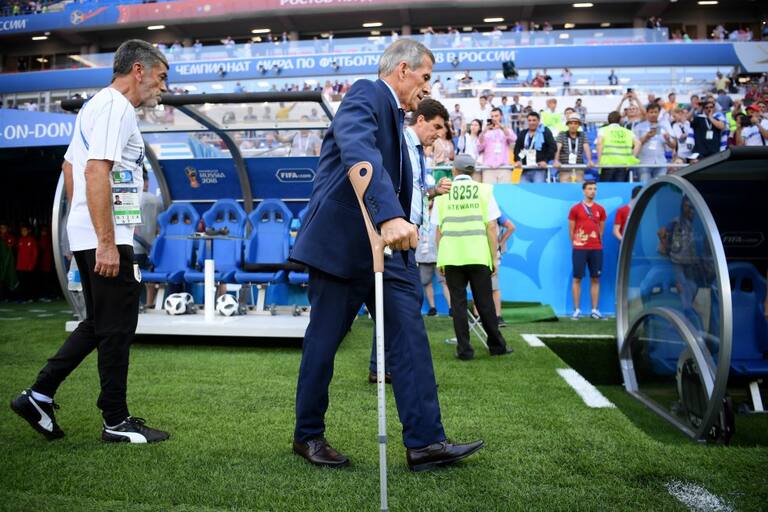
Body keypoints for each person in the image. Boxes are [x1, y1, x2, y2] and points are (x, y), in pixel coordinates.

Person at [289, 39, 483, 471]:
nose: (427, 86)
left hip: (389, 252)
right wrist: (390, 216)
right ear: (403, 69)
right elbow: (358, 151)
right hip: (342, 249)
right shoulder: (366, 93)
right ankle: (308, 435)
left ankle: (426, 443)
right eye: (425, 76)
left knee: (410, 339)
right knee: (323, 344)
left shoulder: (398, 119)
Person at [10, 40, 170, 444]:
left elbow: (70, 167)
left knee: (99, 323)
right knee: (117, 328)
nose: (163, 86)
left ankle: (38, 395)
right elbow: (95, 171)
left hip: (91, 231)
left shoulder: (96, 105)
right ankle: (115, 419)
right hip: (106, 236)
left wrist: (81, 228)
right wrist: (106, 242)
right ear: (138, 70)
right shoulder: (116, 107)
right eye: (161, 76)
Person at [433, 154, 512, 360]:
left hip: (452, 257)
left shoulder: (443, 194)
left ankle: (464, 350)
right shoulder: (484, 190)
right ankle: (497, 346)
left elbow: (438, 231)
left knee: (458, 305)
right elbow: (492, 226)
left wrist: (441, 259)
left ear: (454, 171)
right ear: (473, 171)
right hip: (478, 255)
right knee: (485, 303)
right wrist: (493, 258)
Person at [569, 181, 606, 320]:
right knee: (577, 278)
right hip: (579, 248)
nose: (593, 191)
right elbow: (571, 230)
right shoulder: (575, 209)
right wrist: (576, 244)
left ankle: (595, 310)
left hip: (596, 248)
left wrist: (596, 242)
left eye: (595, 189)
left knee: (595, 278)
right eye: (590, 189)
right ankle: (577, 310)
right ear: (584, 191)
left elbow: (601, 230)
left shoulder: (600, 209)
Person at [133, 168, 163, 308]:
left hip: (133, 246)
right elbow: (160, 227)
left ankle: (136, 305)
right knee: (148, 277)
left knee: (133, 278)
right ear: (147, 183)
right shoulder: (157, 201)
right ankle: (149, 303)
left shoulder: (130, 199)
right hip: (149, 248)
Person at [632, 102, 675, 182]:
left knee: (660, 186)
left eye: (656, 112)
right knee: (645, 186)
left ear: (659, 113)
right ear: (647, 113)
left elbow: (673, 145)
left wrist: (668, 139)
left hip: (660, 163)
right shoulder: (639, 127)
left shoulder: (664, 126)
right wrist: (646, 137)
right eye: (651, 112)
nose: (653, 114)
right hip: (644, 163)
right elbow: (634, 145)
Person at [596, 111, 640, 182]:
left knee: (605, 187)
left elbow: (599, 144)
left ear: (608, 120)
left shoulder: (603, 130)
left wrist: (599, 161)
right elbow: (638, 143)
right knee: (619, 187)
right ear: (620, 120)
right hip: (623, 165)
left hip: (607, 164)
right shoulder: (628, 132)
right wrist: (631, 159)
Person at [513, 112, 556, 183]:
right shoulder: (523, 133)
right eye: (529, 120)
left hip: (540, 169)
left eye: (534, 120)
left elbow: (553, 147)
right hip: (526, 169)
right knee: (523, 189)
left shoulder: (545, 132)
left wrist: (545, 161)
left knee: (538, 189)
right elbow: (517, 148)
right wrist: (518, 160)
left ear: (538, 121)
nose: (531, 122)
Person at [477, 107, 516, 181]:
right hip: (489, 167)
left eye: (496, 116)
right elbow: (479, 147)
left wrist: (502, 127)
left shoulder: (506, 129)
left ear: (501, 116)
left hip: (504, 167)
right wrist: (483, 132)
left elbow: (513, 139)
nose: (494, 118)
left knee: (505, 188)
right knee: (489, 188)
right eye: (492, 116)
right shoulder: (486, 132)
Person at [553, 113, 593, 183]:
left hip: (578, 166)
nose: (573, 126)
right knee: (565, 184)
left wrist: (589, 160)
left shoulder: (582, 135)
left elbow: (586, 147)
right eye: (571, 123)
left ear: (579, 125)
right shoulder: (562, 134)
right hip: (564, 166)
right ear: (567, 125)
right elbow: (558, 148)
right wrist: (556, 160)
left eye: (575, 123)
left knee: (579, 185)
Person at [494, 214, 516, 327]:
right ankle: (477, 316)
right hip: (478, 253)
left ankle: (498, 316)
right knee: (476, 284)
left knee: (494, 287)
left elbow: (511, 227)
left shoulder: (495, 211)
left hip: (492, 254)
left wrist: (500, 243)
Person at [14, 224, 38, 303]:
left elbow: (35, 254)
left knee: (29, 283)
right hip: (20, 266)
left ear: (28, 231)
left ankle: (30, 298)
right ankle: (22, 298)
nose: (23, 232)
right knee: (22, 283)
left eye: (25, 230)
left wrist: (32, 264)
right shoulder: (20, 240)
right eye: (22, 231)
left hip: (29, 266)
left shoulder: (32, 240)